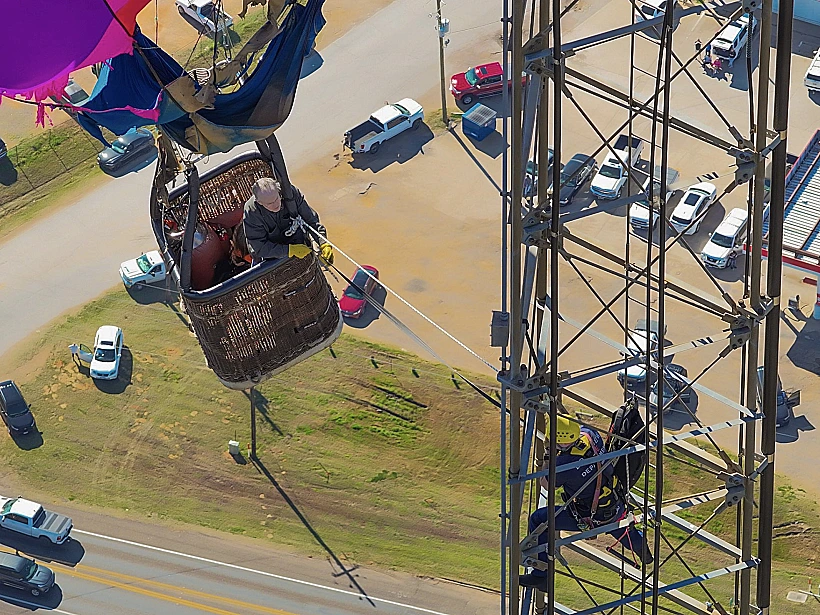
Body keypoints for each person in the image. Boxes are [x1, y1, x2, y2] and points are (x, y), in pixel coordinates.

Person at [519, 417, 650, 592]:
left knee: (539, 520)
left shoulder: (563, 465)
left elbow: (545, 484)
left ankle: (541, 575)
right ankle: (645, 553)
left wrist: (548, 457)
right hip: (614, 503)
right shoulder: (590, 434)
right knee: (624, 530)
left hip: (589, 515)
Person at [242, 177, 333, 265]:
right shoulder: (251, 213)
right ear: (259, 202)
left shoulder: (290, 193)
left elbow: (311, 220)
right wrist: (289, 250)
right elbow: (259, 248)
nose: (276, 204)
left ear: (278, 191)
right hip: (272, 258)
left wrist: (323, 242)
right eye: (269, 203)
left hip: (299, 244)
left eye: (276, 199)